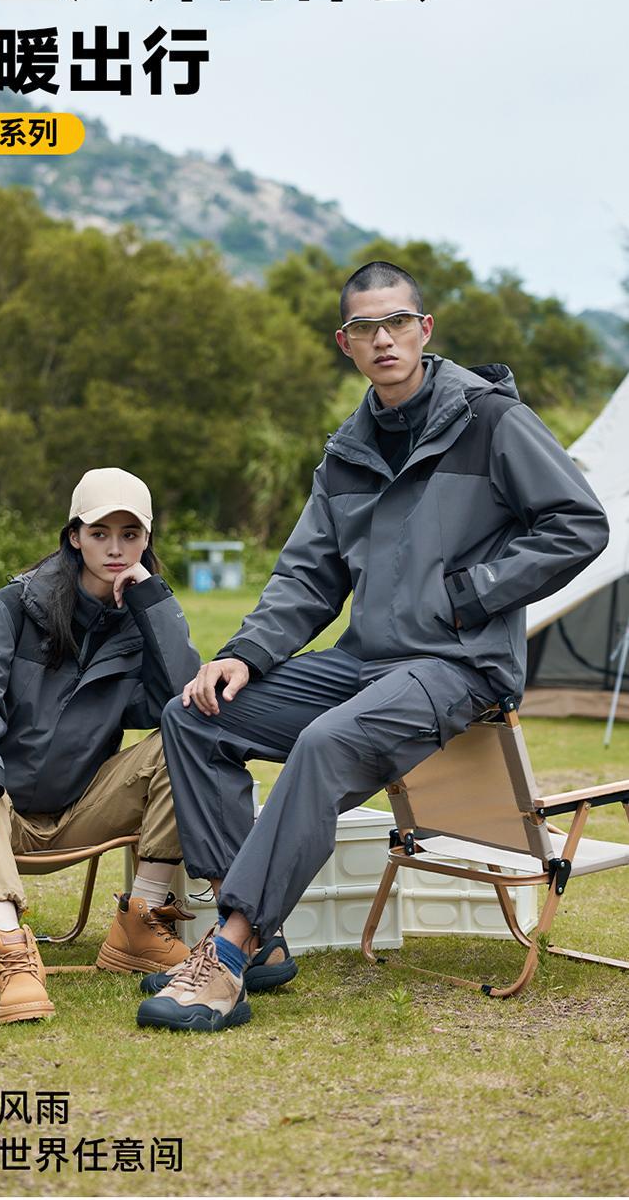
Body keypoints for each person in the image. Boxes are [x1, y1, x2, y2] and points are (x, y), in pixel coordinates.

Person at [136, 259, 610, 1033]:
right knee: (195, 713)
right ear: (345, 343)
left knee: (326, 742)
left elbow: (579, 523)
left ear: (424, 329)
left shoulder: (492, 421)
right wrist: (244, 654)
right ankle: (254, 935)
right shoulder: (348, 451)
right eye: (365, 327)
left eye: (397, 322)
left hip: (458, 666)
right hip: (366, 660)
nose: (383, 338)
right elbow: (307, 575)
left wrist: (473, 593)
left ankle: (223, 954)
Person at [0, 467, 202, 1024]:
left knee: (186, 739)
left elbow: (180, 700)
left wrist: (154, 604)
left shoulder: (138, 622)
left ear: (147, 541)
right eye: (100, 533)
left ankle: (140, 924)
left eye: (130, 534)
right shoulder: (10, 608)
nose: (116, 548)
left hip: (78, 810)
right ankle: (12, 956)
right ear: (74, 536)